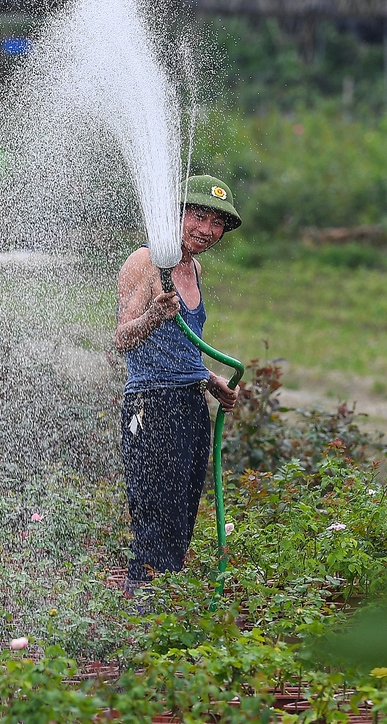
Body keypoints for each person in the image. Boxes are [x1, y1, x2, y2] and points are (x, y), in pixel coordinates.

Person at [113, 175, 242, 597]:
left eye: (217, 222)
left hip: (188, 403)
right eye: (198, 216)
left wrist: (210, 379)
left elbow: (181, 346)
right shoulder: (147, 261)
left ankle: (164, 603)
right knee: (156, 511)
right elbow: (122, 339)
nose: (206, 229)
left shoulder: (194, 268)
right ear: (177, 214)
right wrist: (152, 314)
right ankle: (139, 607)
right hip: (150, 404)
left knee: (184, 510)